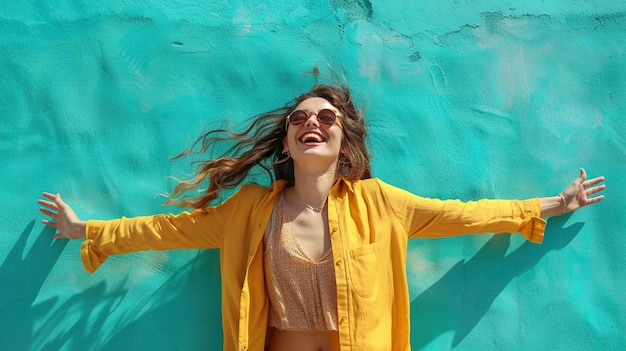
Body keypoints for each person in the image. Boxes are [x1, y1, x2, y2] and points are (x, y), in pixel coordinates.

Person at [38, 83, 606, 351]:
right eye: (300, 119)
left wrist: (552, 205)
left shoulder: (380, 203)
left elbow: (464, 216)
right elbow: (167, 229)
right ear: (286, 141)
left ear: (343, 138)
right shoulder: (249, 211)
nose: (313, 123)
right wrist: (84, 230)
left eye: (327, 117)